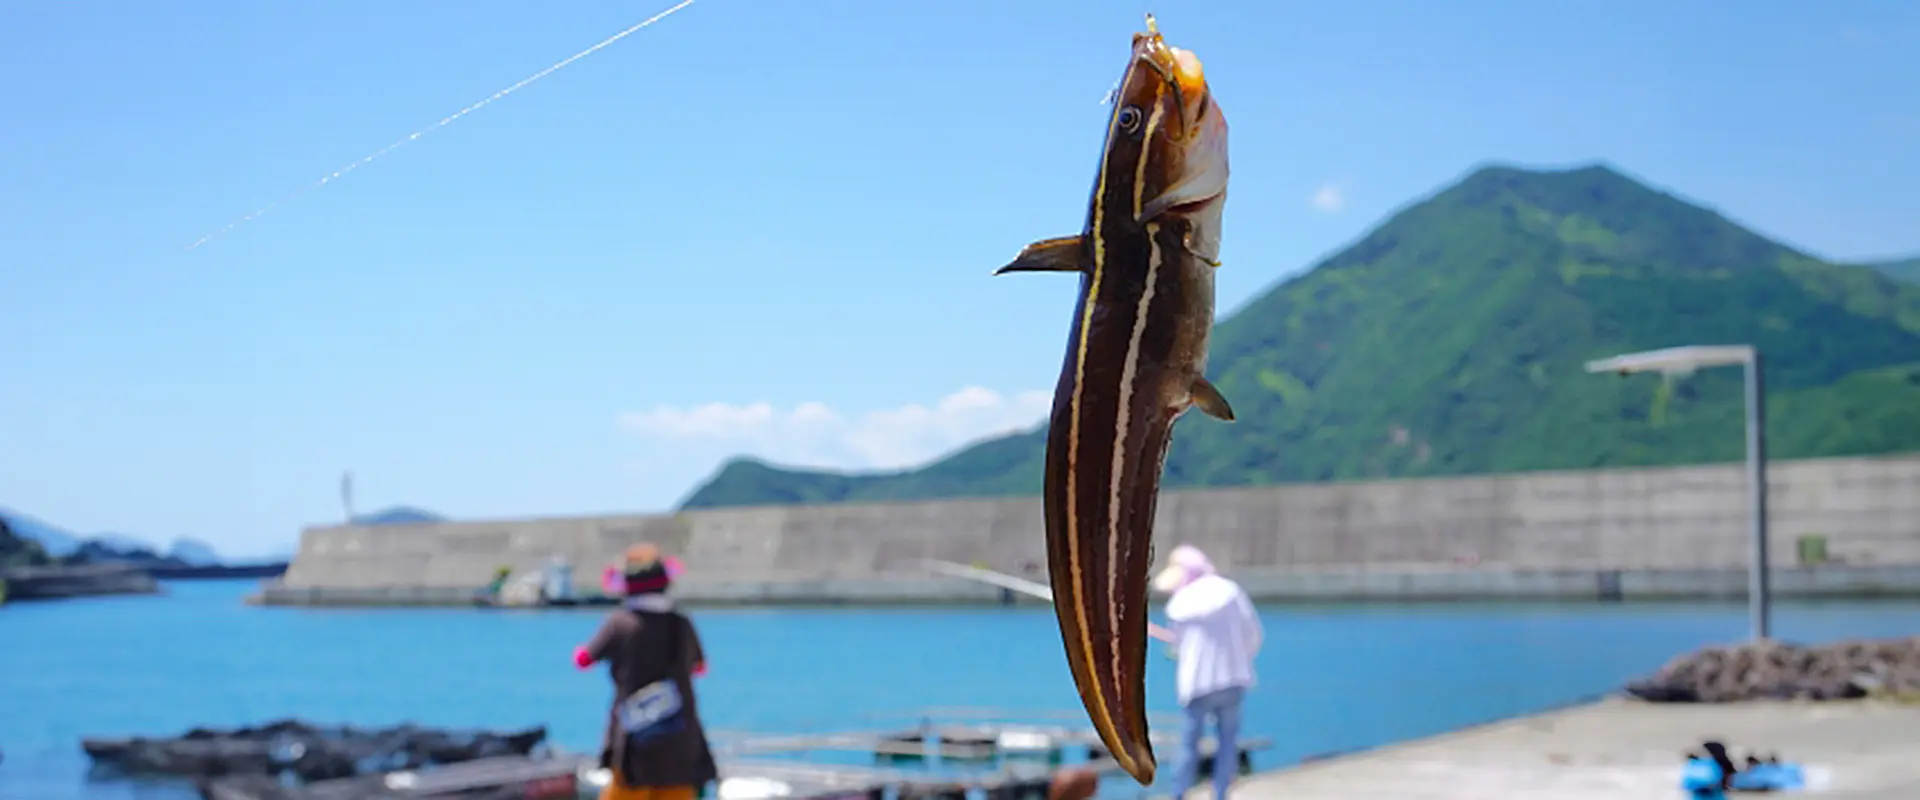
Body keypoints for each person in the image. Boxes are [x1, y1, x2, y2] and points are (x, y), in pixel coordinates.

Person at [573, 544, 717, 800]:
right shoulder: (681, 622)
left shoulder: (620, 622)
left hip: (635, 736)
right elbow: (700, 666)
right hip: (681, 733)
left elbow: (584, 660)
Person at [1149, 544, 1263, 800]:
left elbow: (1177, 644)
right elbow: (1253, 633)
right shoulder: (1230, 591)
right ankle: (1220, 793)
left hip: (1196, 683)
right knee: (1227, 742)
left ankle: (1178, 793)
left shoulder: (1181, 601)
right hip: (1232, 679)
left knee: (1189, 744)